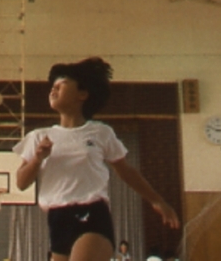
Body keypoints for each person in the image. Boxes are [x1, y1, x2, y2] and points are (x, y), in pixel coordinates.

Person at [14, 57, 180, 261]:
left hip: (91, 215)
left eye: (61, 84)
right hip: (57, 219)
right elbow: (21, 183)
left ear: (82, 94)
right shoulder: (38, 137)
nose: (53, 89)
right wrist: (37, 159)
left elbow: (126, 171)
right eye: (52, 86)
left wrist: (157, 200)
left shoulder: (100, 132)